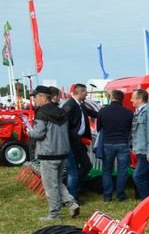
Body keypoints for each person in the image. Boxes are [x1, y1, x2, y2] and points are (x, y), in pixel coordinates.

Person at [26, 86, 79, 221]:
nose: (34, 99)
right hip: (63, 152)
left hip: (48, 153)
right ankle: (71, 203)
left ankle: (55, 215)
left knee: (50, 186)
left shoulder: (42, 113)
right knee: (57, 182)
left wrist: (28, 131)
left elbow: (39, 133)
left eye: (36, 96)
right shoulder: (61, 111)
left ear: (43, 97)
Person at [61, 83, 98, 201]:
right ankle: (71, 197)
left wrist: (107, 113)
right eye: (85, 92)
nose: (87, 94)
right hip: (71, 142)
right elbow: (64, 124)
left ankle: (75, 188)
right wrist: (73, 136)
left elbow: (92, 113)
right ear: (80, 92)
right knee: (73, 171)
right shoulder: (70, 105)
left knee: (87, 165)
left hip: (79, 142)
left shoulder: (80, 105)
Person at [96, 89, 134, 202]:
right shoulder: (128, 112)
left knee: (107, 170)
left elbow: (99, 128)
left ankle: (107, 196)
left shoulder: (103, 111)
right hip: (123, 143)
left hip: (108, 143)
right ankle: (120, 195)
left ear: (112, 98)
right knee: (122, 170)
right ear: (122, 99)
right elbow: (130, 129)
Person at [129, 89, 149, 200]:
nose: (131, 100)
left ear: (140, 99)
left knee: (138, 176)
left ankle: (146, 201)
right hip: (141, 150)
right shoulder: (139, 112)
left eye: (133, 97)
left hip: (146, 152)